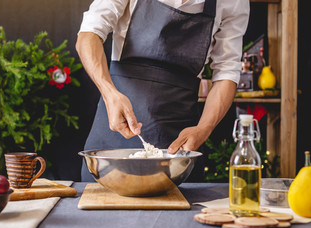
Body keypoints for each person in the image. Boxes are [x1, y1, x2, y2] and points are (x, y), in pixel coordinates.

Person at [76, 0, 250, 182]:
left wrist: (204, 128)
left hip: (177, 148)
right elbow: (88, 34)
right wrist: (109, 93)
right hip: (112, 137)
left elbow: (227, 72)